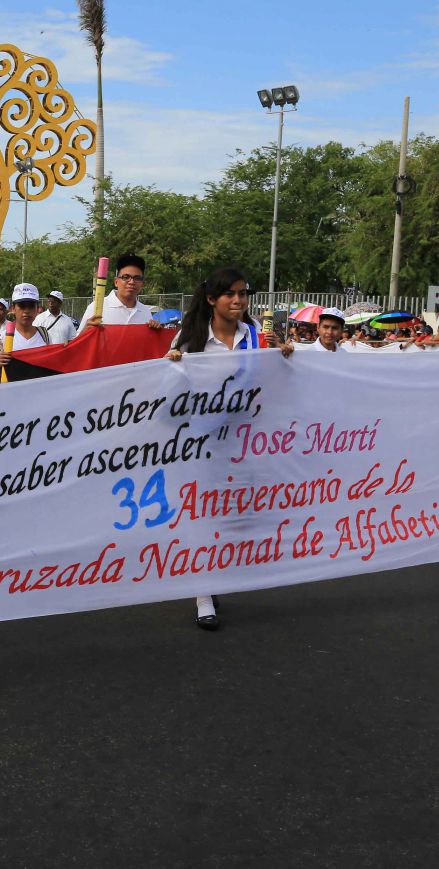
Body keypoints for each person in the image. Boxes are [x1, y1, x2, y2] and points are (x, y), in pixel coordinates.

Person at [169, 267, 292, 630]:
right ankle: (203, 594)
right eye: (230, 295)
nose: (238, 301)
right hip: (200, 441)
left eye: (243, 294)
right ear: (212, 300)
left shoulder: (254, 336)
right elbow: (168, 390)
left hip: (243, 441)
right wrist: (171, 365)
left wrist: (285, 359)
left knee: (233, 513)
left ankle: (214, 573)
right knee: (201, 513)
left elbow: (267, 382)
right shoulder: (189, 338)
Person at [79, 254, 160, 333]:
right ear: (116, 281)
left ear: (142, 284)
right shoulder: (97, 308)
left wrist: (156, 333)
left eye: (137, 278)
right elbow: (76, 344)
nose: (131, 282)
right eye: (126, 277)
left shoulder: (145, 311)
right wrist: (85, 331)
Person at [0, 283, 49, 369]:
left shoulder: (44, 335)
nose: (26, 311)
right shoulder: (3, 337)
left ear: (37, 309)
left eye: (31, 306)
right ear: (13, 309)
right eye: (22, 306)